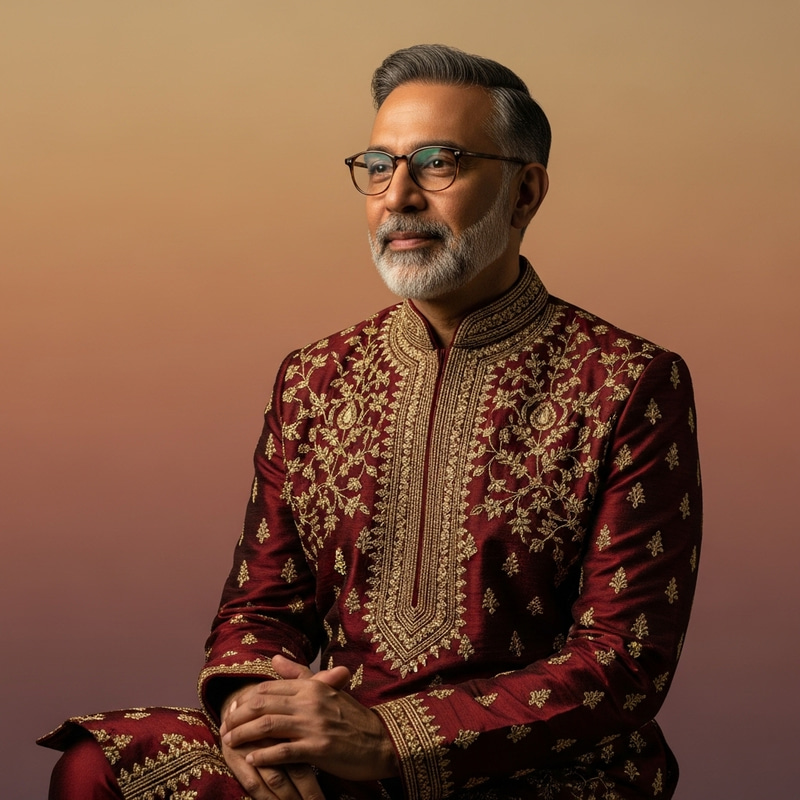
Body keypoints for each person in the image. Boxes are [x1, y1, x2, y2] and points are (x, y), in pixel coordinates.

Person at [39, 44, 702, 800]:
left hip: (536, 769)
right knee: (98, 770)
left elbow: (621, 659)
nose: (399, 196)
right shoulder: (315, 378)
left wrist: (391, 740)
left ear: (525, 193)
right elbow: (262, 606)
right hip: (333, 751)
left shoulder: (625, 382)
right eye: (378, 166)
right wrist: (260, 717)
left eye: (437, 162)